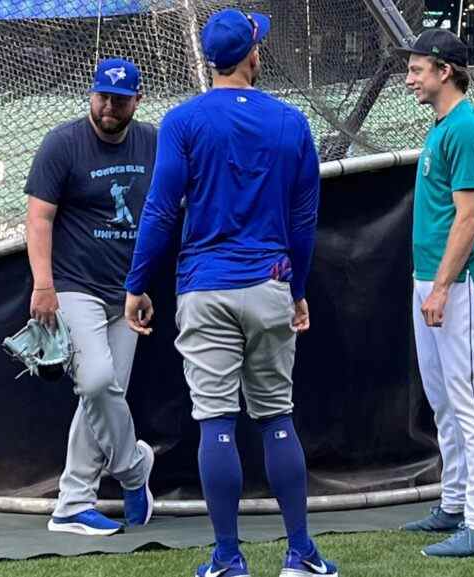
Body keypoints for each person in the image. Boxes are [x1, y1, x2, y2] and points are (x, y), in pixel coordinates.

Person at [124, 9, 338, 577]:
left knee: (215, 421)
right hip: (268, 283)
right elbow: (305, 219)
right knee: (276, 419)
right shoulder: (291, 121)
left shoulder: (182, 120)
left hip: (204, 287)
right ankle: (300, 554)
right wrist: (297, 287)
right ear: (252, 55)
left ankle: (228, 557)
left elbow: (162, 209)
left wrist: (137, 283)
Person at [24, 57, 156, 537]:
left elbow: (161, 214)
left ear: (136, 101)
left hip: (126, 291)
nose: (108, 107)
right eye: (102, 96)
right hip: (73, 286)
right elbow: (38, 219)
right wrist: (44, 286)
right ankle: (135, 468)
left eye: (119, 100)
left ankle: (74, 502)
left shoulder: (153, 141)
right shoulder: (63, 142)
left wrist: (143, 285)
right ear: (91, 95)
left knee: (100, 399)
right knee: (98, 382)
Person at [398, 29, 474, 557]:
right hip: (437, 280)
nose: (410, 77)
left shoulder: (464, 128)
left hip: (458, 283)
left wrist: (440, 287)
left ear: (444, 71)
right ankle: (457, 503)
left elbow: (470, 218)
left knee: (469, 398)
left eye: (418, 69)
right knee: (444, 399)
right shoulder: (444, 126)